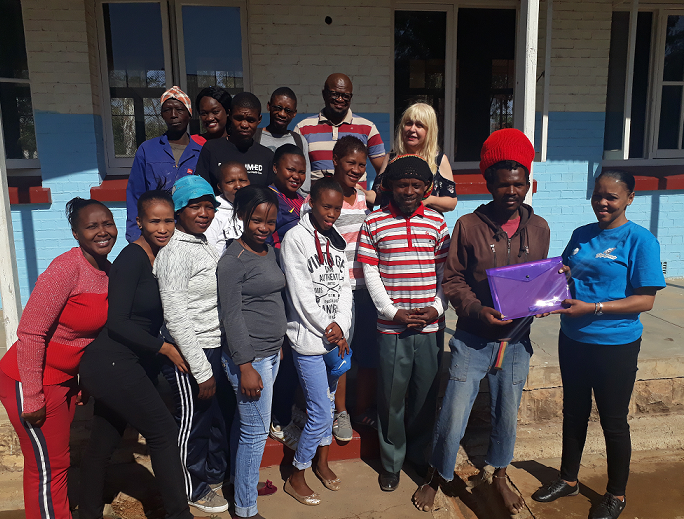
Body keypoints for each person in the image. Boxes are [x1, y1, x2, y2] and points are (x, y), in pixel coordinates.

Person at [411, 128, 548, 515]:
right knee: (454, 412)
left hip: (516, 340)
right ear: (489, 183)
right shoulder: (468, 226)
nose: (512, 192)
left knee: (507, 413)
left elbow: (536, 280)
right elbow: (453, 279)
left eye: (519, 184)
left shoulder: (539, 228)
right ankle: (437, 475)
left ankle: (499, 474)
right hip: (473, 338)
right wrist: (474, 310)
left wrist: (545, 299)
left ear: (528, 184)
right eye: (503, 184)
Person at [531, 170, 666, 519]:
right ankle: (568, 479)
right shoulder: (581, 234)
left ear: (630, 198)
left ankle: (616, 494)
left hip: (615, 344)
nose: (602, 203)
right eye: (597, 195)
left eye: (612, 197)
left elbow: (645, 300)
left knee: (613, 421)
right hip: (573, 339)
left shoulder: (641, 240)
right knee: (573, 412)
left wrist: (594, 308)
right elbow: (564, 273)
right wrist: (544, 298)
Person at [79, 191, 202, 519]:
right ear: (139, 222)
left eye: (168, 220)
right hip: (112, 362)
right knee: (163, 432)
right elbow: (117, 322)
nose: (162, 228)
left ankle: (88, 512)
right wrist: (165, 348)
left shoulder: (164, 256)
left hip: (129, 363)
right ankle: (180, 514)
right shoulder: (131, 259)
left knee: (103, 443)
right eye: (154, 221)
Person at [0, 198, 117, 519]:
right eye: (91, 226)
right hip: (30, 378)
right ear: (76, 233)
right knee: (46, 467)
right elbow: (31, 332)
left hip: (63, 380)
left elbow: (87, 338)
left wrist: (82, 380)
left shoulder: (107, 271)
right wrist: (33, 397)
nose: (102, 231)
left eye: (107, 223)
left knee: (57, 462)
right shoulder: (66, 269)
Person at [358, 155, 450, 492]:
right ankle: (392, 462)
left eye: (415, 185)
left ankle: (418, 453)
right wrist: (390, 311)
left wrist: (437, 308)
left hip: (429, 327)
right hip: (392, 328)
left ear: (427, 188)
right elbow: (370, 272)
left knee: (425, 396)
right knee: (391, 398)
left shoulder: (437, 223)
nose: (409, 191)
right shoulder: (374, 223)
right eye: (401, 185)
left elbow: (445, 273)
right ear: (388, 186)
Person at [153, 175, 232, 513]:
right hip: (189, 353)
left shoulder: (201, 243)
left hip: (212, 346)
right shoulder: (175, 253)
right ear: (179, 210)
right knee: (192, 424)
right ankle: (190, 488)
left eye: (209, 206)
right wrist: (201, 370)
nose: (204, 213)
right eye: (194, 206)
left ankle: (211, 475)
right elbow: (176, 317)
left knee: (211, 420)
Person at [280, 177, 353, 506]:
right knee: (321, 412)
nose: (332, 214)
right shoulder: (295, 239)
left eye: (337, 209)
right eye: (326, 207)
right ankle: (297, 474)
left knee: (329, 399)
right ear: (311, 203)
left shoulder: (336, 239)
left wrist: (342, 326)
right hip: (309, 340)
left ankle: (322, 463)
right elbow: (300, 294)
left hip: (336, 340)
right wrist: (328, 326)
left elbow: (345, 289)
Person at [217, 185, 287, 519]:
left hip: (270, 353)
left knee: (245, 427)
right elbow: (231, 316)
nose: (264, 227)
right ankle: (245, 509)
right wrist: (245, 366)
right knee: (256, 433)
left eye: (270, 221)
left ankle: (239, 484)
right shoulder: (233, 261)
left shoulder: (268, 251)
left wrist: (278, 345)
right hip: (250, 359)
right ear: (242, 215)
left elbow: (271, 299)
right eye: (257, 220)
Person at [126, 86, 202, 242]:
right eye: (167, 110)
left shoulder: (201, 152)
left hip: (189, 232)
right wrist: (135, 235)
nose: (173, 115)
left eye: (179, 110)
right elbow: (135, 194)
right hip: (155, 232)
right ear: (162, 115)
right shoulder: (147, 149)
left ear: (189, 113)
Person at [294, 73, 386, 185]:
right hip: (317, 195)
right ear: (324, 94)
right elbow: (294, 170)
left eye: (346, 96)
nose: (340, 99)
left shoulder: (368, 128)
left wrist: (372, 193)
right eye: (335, 94)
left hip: (356, 196)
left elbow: (383, 172)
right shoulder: (303, 128)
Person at [370, 102, 458, 214]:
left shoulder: (439, 160)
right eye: (408, 123)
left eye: (419, 125)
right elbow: (377, 196)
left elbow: (451, 202)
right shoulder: (391, 158)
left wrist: (427, 199)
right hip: (392, 222)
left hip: (426, 223)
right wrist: (359, 192)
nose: (412, 129)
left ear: (429, 131)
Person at [195, 92, 274, 192]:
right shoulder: (211, 149)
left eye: (250, 120)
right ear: (230, 115)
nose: (244, 125)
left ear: (259, 120)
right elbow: (200, 190)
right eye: (239, 118)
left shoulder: (267, 156)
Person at [255, 87, 311, 194]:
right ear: (269, 106)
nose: (282, 114)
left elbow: (305, 184)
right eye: (278, 108)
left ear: (294, 113)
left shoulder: (299, 141)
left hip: (291, 203)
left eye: (288, 111)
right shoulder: (256, 137)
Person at [205, 162, 250, 255]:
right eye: (230, 182)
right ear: (220, 187)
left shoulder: (254, 208)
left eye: (242, 180)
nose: (238, 186)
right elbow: (208, 250)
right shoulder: (213, 212)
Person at [267, 144, 306, 248]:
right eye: (290, 170)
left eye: (302, 172)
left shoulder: (302, 200)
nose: (296, 176)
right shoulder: (268, 200)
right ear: (275, 168)